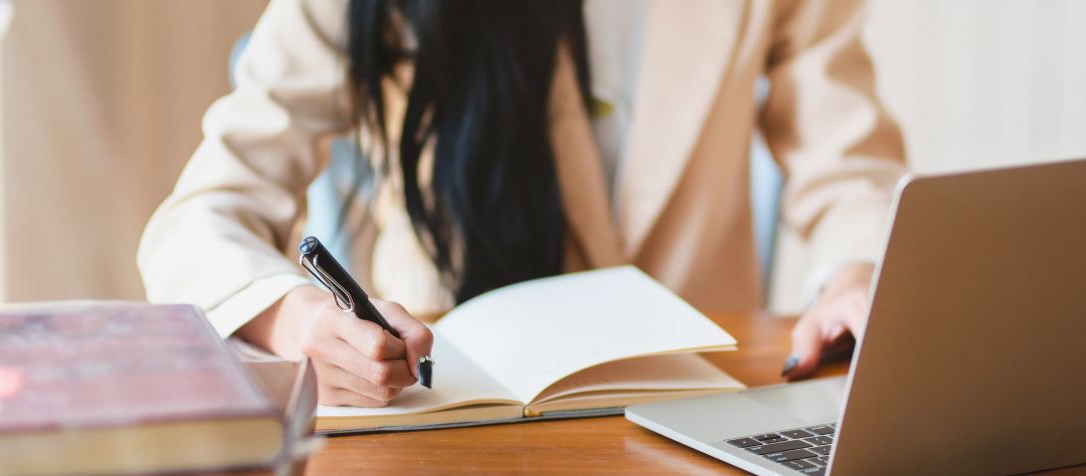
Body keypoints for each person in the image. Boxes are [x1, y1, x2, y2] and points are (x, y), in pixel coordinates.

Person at [138, 0, 906, 407]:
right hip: (449, 418)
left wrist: (854, 272)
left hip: (697, 414)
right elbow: (202, 214)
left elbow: (847, 165)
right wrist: (302, 323)